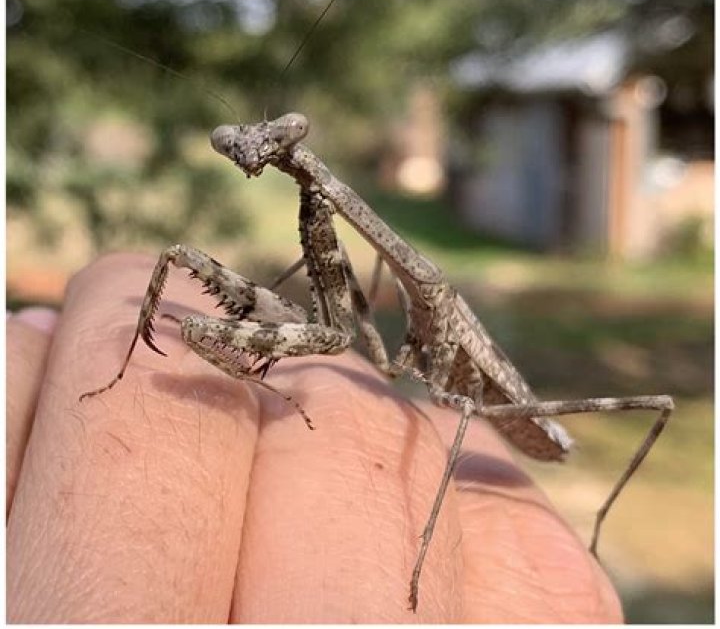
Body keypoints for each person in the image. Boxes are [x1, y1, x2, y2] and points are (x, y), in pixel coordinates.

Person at [7, 253, 622, 622]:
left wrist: (418, 560)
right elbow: (341, 316)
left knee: (649, 405)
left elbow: (456, 409)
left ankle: (584, 523)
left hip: (522, 413)